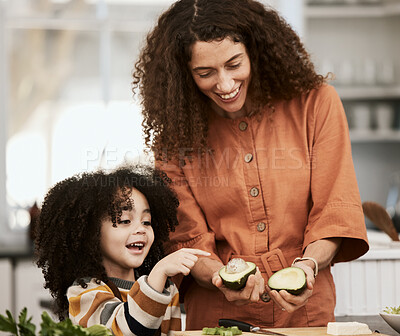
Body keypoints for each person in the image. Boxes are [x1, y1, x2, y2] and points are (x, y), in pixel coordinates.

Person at [132, 0, 369, 330]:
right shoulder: (174, 138)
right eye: (205, 73)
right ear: (183, 75)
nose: (225, 84)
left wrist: (307, 266)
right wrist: (220, 277)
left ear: (255, 50)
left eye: (234, 64)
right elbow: (187, 240)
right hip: (218, 315)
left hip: (306, 313)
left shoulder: (316, 104)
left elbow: (334, 211)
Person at [34, 165, 210, 335]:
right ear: (92, 232)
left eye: (146, 221)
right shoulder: (85, 292)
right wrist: (159, 272)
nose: (141, 229)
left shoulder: (166, 290)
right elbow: (129, 329)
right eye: (125, 220)